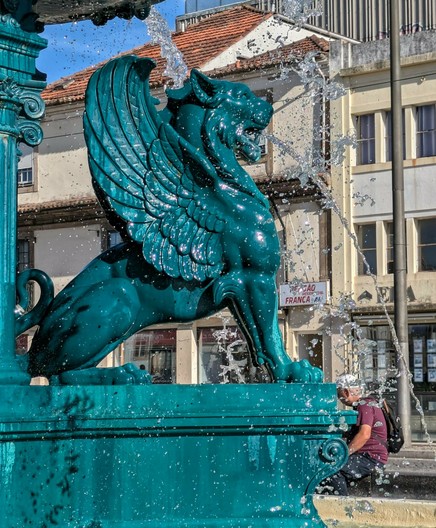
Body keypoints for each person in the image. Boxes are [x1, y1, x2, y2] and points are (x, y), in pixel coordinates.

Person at [318, 373, 388, 495]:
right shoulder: (369, 403)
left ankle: (342, 504)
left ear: (346, 392)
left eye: (339, 395)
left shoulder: (364, 405)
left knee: (333, 470)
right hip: (372, 456)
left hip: (371, 458)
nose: (340, 399)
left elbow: (364, 434)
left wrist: (344, 453)